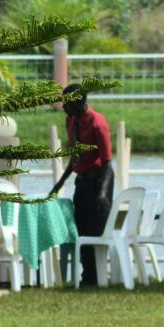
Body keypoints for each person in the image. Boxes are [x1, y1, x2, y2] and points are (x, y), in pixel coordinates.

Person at [63, 83, 113, 286]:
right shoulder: (71, 121)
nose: (63, 106)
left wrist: (102, 193)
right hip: (82, 181)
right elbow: (75, 157)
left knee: (97, 229)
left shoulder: (97, 123)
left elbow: (108, 163)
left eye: (67, 102)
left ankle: (99, 276)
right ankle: (88, 277)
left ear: (79, 102)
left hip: (100, 180)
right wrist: (60, 183)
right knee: (81, 228)